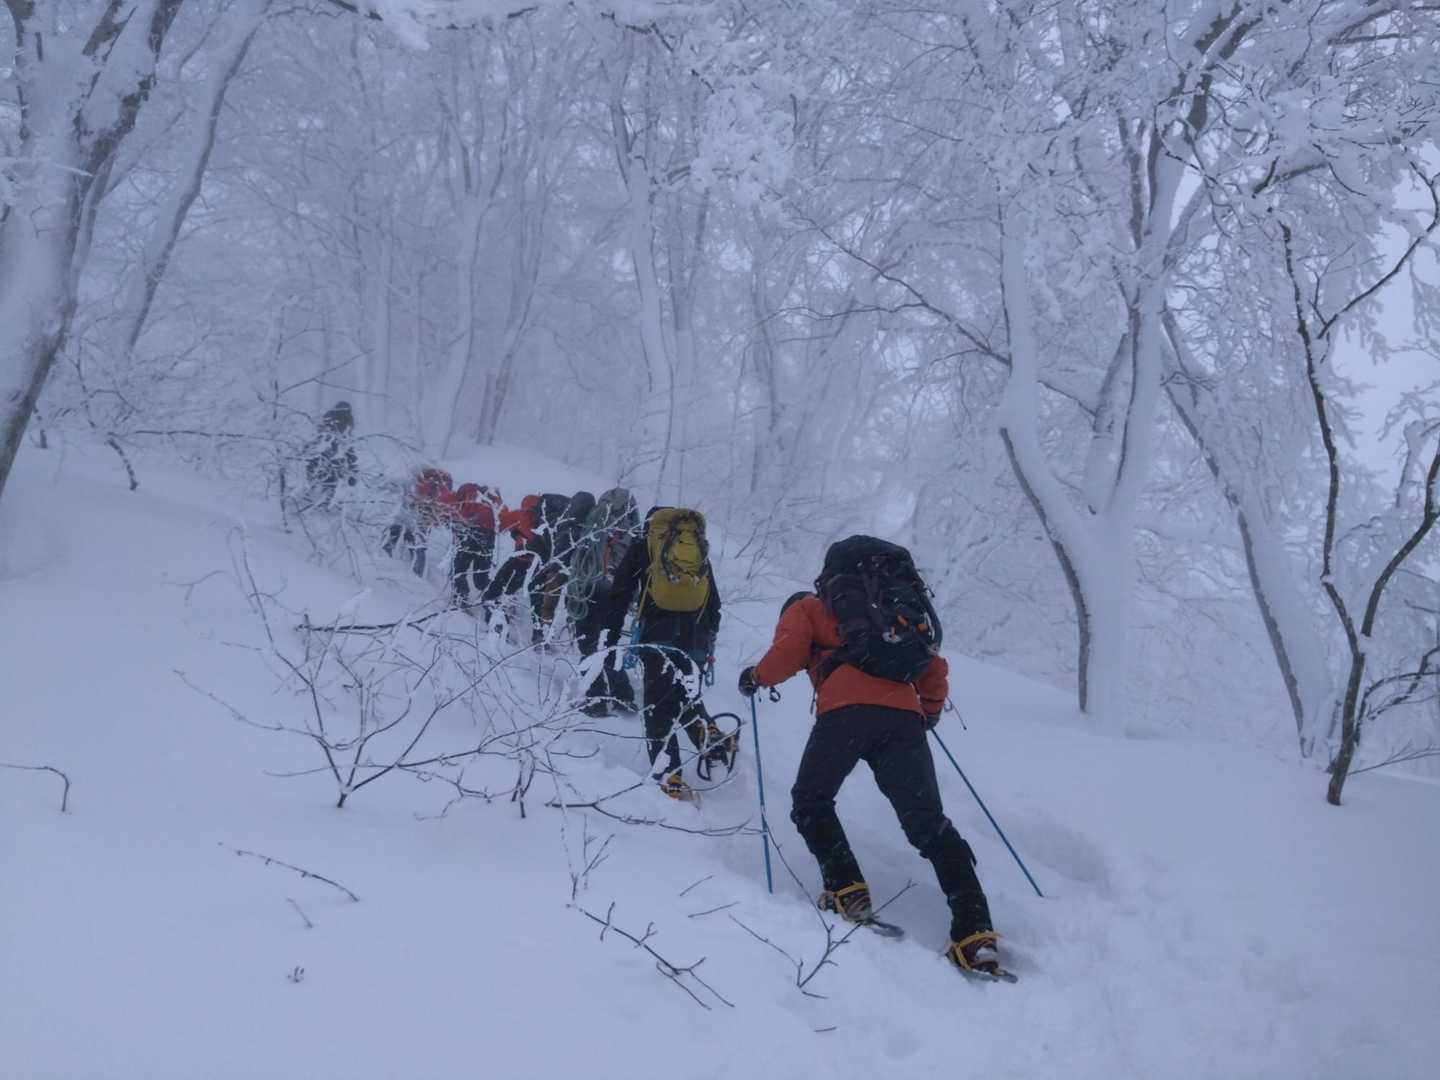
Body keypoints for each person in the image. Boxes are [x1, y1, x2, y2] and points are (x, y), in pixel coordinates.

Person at [737, 535, 1002, 977]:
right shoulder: (898, 613)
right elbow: (933, 668)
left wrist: (755, 678)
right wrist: (927, 713)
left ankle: (848, 891)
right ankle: (976, 934)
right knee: (928, 824)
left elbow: (787, 653)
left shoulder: (808, 608)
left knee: (811, 800)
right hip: (904, 721)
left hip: (845, 715)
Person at [604, 506, 722, 800]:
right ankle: (709, 736)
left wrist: (612, 635)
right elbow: (713, 600)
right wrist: (709, 639)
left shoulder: (645, 545)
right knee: (686, 692)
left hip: (658, 632)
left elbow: (620, 593)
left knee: (657, 704)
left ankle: (669, 775)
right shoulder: (695, 548)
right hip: (695, 633)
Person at [568, 488, 641, 715]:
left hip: (591, 590)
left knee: (589, 645)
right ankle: (623, 696)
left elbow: (578, 553)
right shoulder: (634, 530)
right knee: (609, 645)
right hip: (617, 596)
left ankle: (596, 700)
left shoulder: (595, 520)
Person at [382, 467, 452, 577]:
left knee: (394, 533)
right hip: (426, 515)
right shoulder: (442, 486)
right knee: (418, 544)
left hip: (410, 510)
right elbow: (443, 507)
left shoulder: (416, 479)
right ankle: (418, 573)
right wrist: (435, 521)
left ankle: (383, 558)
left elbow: (394, 486)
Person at [447, 483, 501, 609]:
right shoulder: (488, 503)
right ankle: (498, 599)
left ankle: (461, 599)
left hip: (471, 537)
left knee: (458, 570)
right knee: (480, 579)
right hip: (487, 540)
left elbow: (462, 520)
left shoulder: (469, 501)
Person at [299, 401, 358, 510]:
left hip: (323, 461)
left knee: (318, 481)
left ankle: (312, 502)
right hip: (329, 462)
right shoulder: (340, 425)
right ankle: (320, 504)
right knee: (327, 483)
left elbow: (348, 449)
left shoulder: (328, 421)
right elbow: (349, 450)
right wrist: (353, 470)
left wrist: (353, 471)